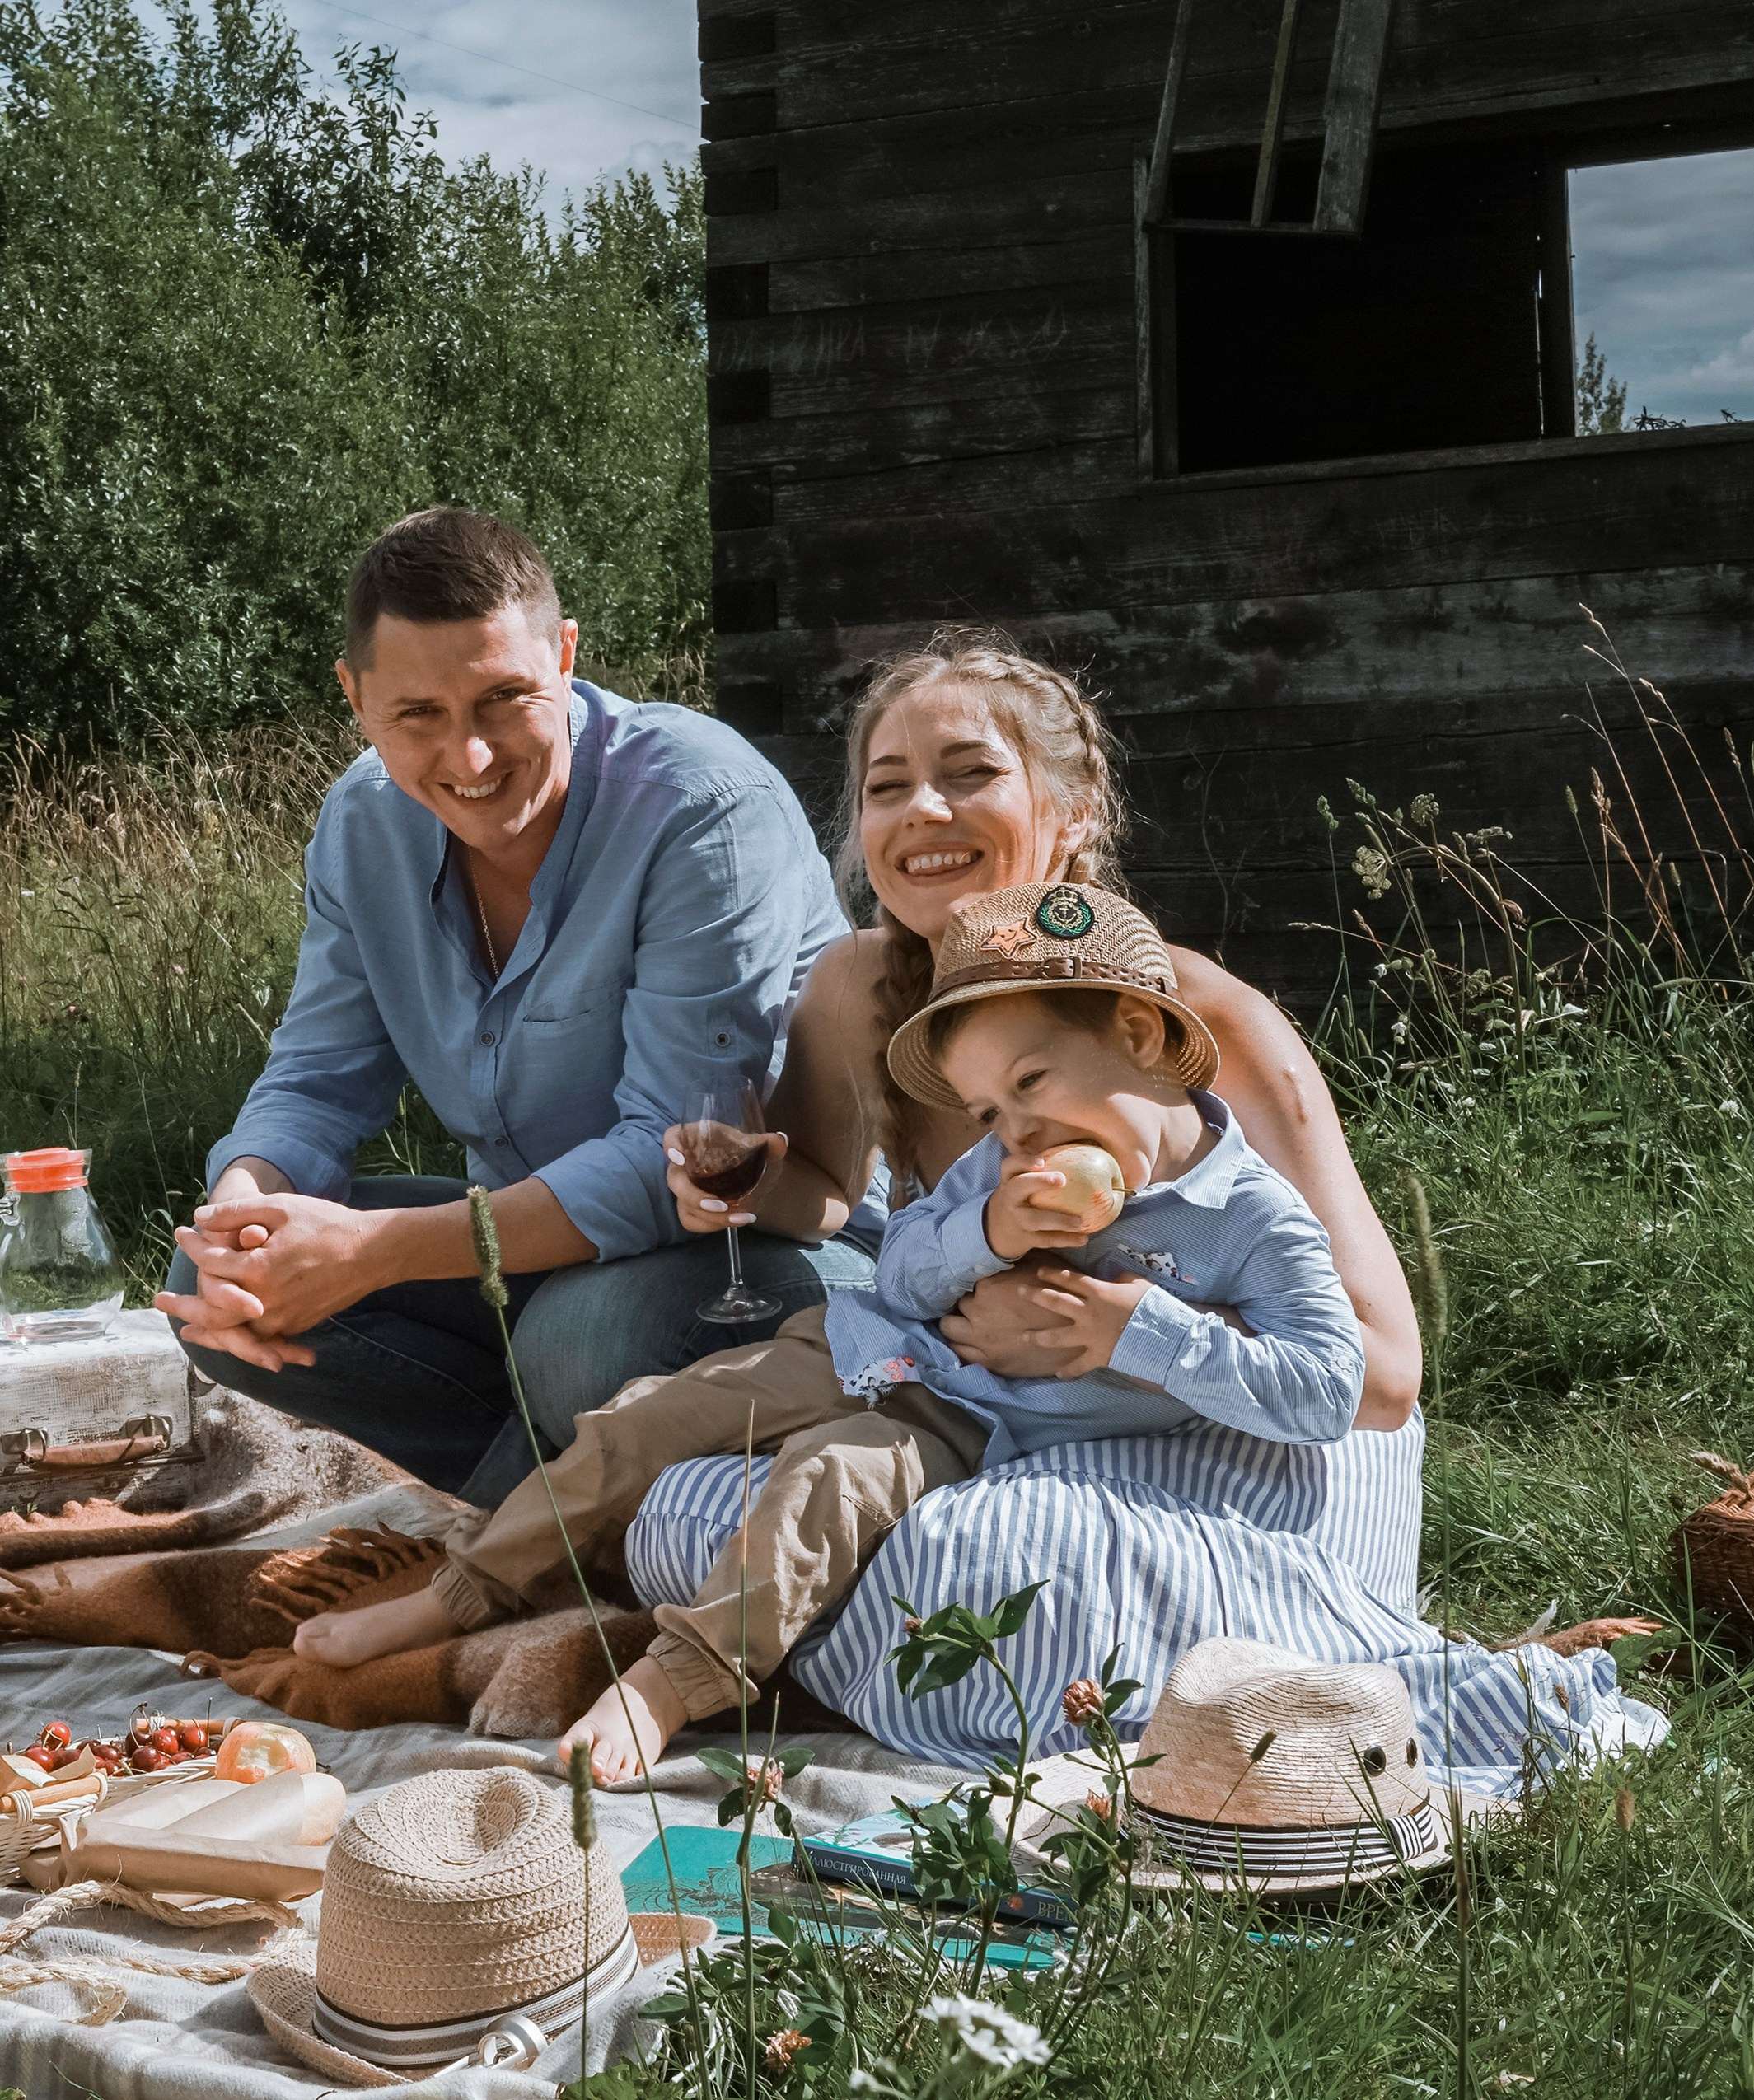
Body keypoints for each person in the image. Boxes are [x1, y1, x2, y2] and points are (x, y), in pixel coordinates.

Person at [289, 882, 1368, 1786]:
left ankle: (676, 1682)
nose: (1016, 1133)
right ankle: (461, 1591)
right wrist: (985, 1229)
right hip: (872, 1341)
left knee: (823, 1483)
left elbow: (1330, 1387)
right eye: (989, 1112)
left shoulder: (1252, 1223)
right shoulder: (1004, 1170)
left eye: (1030, 1086)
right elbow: (900, 1262)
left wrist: (1141, 1332)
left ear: (1138, 1036)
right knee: (644, 1417)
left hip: (976, 1419)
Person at [156, 507, 868, 1503]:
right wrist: (240, 1209)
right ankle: (578, 1501)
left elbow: (678, 1147)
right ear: (354, 695)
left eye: (504, 698)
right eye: (418, 715)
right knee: (212, 1287)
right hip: (534, 1247)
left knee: (583, 1338)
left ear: (565, 653)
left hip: (765, 1251)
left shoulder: (703, 808)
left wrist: (374, 1250)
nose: (471, 756)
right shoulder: (364, 823)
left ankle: (517, 1532)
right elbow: (316, 1082)